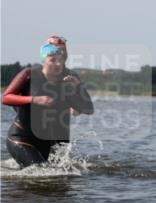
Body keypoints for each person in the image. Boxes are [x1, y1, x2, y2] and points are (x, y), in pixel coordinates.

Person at [3, 36, 94, 167]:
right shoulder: (30, 74)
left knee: (59, 174)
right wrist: (34, 100)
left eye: (63, 51)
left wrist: (78, 90)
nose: (60, 57)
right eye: (56, 52)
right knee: (42, 171)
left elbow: (87, 107)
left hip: (53, 137)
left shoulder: (70, 78)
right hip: (23, 137)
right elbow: (7, 98)